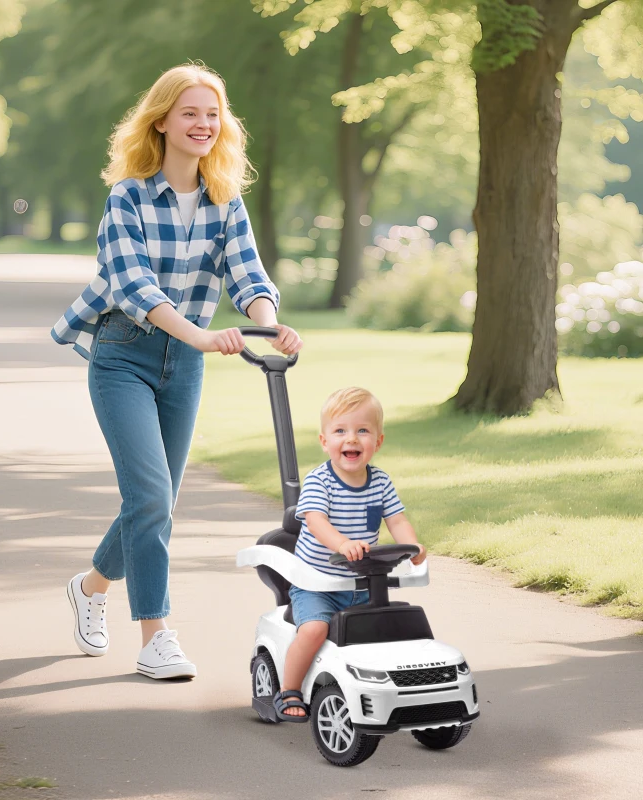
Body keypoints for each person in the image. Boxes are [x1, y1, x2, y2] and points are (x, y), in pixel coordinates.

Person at [51, 63, 302, 680]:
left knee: (156, 502)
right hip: (123, 355)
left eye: (212, 114)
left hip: (183, 365)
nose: (203, 124)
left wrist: (268, 325)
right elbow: (133, 285)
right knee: (151, 497)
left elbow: (248, 274)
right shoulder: (128, 198)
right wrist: (202, 335)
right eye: (190, 113)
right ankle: (155, 636)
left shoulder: (225, 201)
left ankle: (90, 586)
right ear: (161, 121)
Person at [272, 387, 426, 720]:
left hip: (362, 585)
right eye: (340, 431)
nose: (351, 439)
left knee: (391, 627)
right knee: (315, 630)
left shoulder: (380, 482)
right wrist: (342, 544)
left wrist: (413, 547)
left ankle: (396, 686)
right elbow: (316, 521)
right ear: (324, 441)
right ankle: (289, 689)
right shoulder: (320, 481)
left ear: (378, 441)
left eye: (362, 431)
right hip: (318, 587)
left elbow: (397, 520)